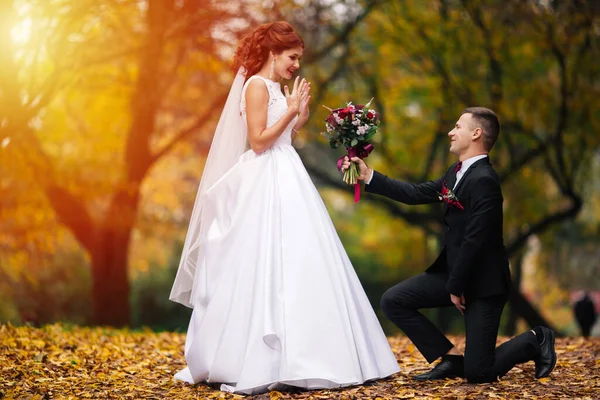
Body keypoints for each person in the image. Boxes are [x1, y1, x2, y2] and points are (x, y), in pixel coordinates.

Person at [169, 21, 399, 395]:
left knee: (299, 258)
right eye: (292, 57)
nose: (296, 65)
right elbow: (258, 143)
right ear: (273, 53)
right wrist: (289, 113)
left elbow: (280, 140)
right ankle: (258, 356)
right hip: (265, 180)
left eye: (298, 59)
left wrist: (298, 118)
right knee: (265, 259)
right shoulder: (256, 86)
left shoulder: (275, 87)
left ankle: (311, 351)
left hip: (286, 174)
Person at [341, 107, 557, 382]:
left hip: (483, 284)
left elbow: (475, 239)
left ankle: (536, 339)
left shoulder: (485, 181)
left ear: (476, 133)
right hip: (456, 275)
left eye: (458, 126)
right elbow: (416, 193)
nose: (450, 132)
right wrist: (369, 175)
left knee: (479, 373)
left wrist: (456, 287)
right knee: (394, 300)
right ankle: (452, 358)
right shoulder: (455, 174)